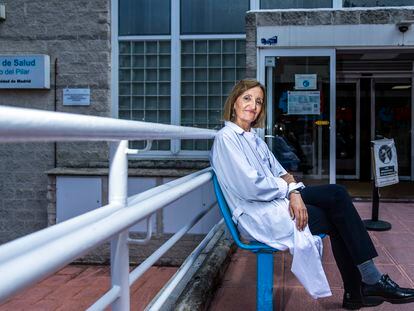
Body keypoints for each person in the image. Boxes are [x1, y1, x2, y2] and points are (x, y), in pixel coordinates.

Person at [210, 79, 414, 309]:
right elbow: (251, 186)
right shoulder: (227, 138)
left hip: (275, 199)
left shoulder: (254, 139)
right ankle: (365, 284)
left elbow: (283, 172)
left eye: (258, 101)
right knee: (336, 212)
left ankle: (362, 287)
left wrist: (293, 191)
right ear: (234, 102)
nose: (253, 105)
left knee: (336, 196)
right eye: (247, 98)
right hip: (257, 213)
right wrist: (291, 190)